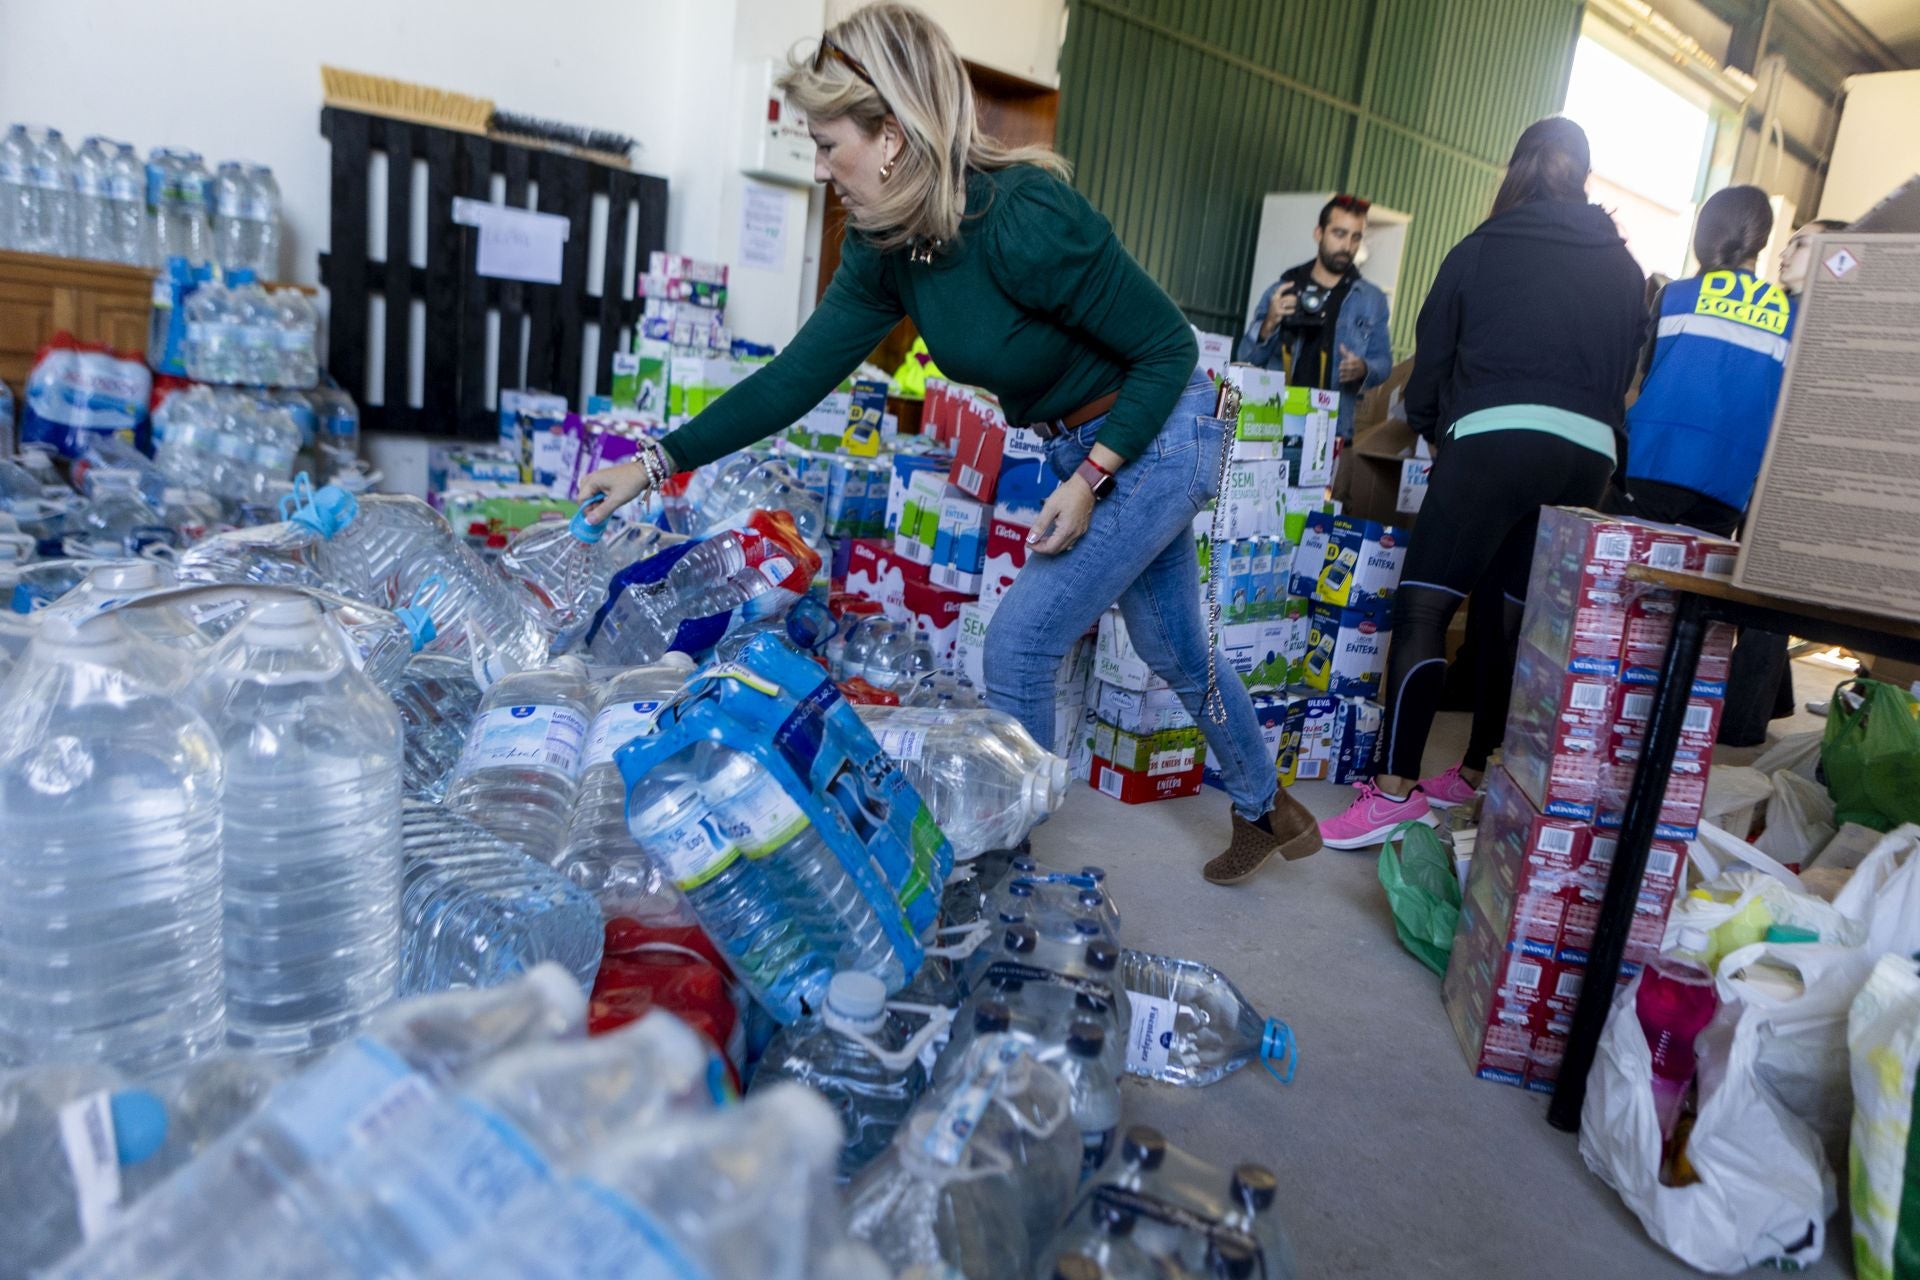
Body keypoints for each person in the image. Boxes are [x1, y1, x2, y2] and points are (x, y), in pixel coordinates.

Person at [578, 2, 1320, 883]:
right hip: (1083, 443)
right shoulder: (889, 247)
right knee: (1172, 649)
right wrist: (654, 462)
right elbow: (792, 380)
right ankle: (1267, 805)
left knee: (1021, 642)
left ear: (889, 135)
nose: (820, 171)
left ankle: (1017, 888)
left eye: (828, 145)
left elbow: (1166, 349)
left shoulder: (1024, 216)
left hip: (1157, 432)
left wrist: (1090, 476)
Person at [1319, 117, 1647, 850]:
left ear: (1516, 172)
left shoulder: (1479, 249)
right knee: (1508, 616)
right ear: (1584, 178)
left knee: (1425, 609)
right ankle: (1476, 772)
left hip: (1496, 437)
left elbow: (1429, 368)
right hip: (1588, 456)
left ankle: (1395, 788)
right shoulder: (1625, 268)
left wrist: (1442, 432)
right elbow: (1627, 372)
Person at [1237, 194, 1393, 441]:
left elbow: (1384, 363)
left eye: (1356, 237)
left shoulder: (1371, 299)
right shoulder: (1284, 290)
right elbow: (1245, 361)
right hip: (1274, 427)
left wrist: (1363, 368)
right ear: (1318, 233)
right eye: (1339, 234)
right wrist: (1269, 322)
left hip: (1333, 432)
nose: (1347, 246)